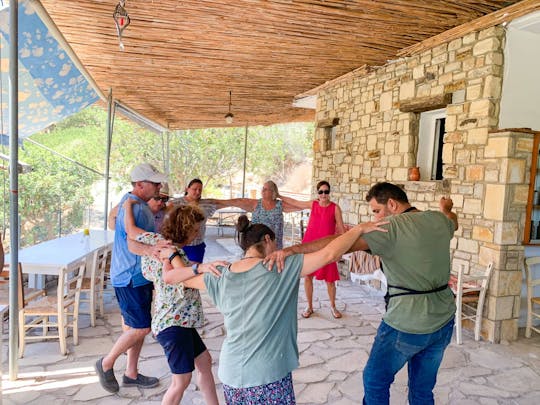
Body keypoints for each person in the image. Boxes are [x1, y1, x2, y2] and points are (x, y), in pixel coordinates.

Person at [159, 214, 388, 404]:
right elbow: (331, 253)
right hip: (267, 375)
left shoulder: (221, 273)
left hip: (231, 375)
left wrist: (173, 257)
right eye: (275, 243)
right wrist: (358, 229)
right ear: (268, 239)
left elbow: (177, 279)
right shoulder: (281, 268)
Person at [266, 182, 458, 405]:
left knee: (375, 379)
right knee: (423, 389)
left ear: (393, 205)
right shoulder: (437, 219)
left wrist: (293, 249)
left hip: (407, 322)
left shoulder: (390, 227)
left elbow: (335, 244)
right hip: (444, 319)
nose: (375, 219)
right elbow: (453, 221)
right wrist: (446, 208)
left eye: (376, 211)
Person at [123, 199, 226, 405]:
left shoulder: (157, 241)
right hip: (173, 323)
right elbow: (175, 276)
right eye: (195, 230)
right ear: (185, 229)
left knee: (204, 362)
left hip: (181, 321)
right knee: (181, 381)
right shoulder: (173, 254)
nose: (197, 234)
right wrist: (200, 268)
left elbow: (131, 232)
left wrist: (127, 208)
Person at [95, 163, 168, 393]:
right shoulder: (134, 206)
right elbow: (131, 239)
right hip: (129, 277)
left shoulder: (135, 203)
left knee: (137, 326)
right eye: (154, 183)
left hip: (138, 276)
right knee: (141, 328)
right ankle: (106, 363)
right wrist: (153, 247)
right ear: (139, 185)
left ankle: (131, 373)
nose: (158, 186)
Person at [281, 180, 345, 318]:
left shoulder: (335, 208)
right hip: (309, 245)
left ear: (329, 193)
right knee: (308, 277)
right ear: (317, 193)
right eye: (321, 192)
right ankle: (309, 306)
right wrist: (279, 195)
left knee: (330, 279)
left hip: (327, 246)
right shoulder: (313, 204)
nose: (323, 194)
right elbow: (296, 202)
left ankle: (333, 306)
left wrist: (341, 249)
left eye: (326, 192)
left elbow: (341, 229)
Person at [223, 180, 306, 249]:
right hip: (256, 244)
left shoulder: (279, 205)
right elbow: (238, 201)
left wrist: (280, 196)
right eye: (263, 188)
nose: (263, 191)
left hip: (273, 245)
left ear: (273, 192)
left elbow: (298, 204)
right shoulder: (256, 204)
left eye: (266, 189)